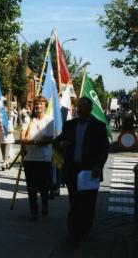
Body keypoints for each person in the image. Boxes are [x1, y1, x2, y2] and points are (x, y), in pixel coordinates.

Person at [54, 97, 109, 247]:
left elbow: (104, 149)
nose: (80, 111)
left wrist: (99, 165)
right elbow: (57, 142)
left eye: (83, 108)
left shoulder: (99, 126)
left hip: (90, 172)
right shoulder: (70, 125)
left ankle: (85, 230)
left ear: (89, 110)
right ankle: (73, 234)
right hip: (73, 171)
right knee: (75, 203)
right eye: (79, 108)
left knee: (88, 204)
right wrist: (61, 143)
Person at [20, 96, 54, 220]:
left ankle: (44, 204)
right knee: (31, 186)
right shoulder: (29, 120)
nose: (38, 106)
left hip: (44, 159)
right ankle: (34, 210)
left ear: (44, 106)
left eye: (41, 104)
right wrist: (25, 143)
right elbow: (23, 136)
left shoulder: (49, 120)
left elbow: (49, 138)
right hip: (29, 158)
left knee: (43, 185)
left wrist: (35, 141)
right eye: (36, 104)